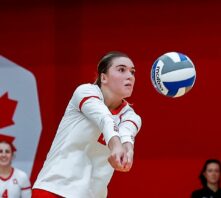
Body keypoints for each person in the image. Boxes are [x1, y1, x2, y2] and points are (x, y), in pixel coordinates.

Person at [32, 51, 142, 198]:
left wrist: (128, 153)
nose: (130, 76)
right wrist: (116, 145)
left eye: (132, 72)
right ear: (103, 77)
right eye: (121, 69)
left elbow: (127, 134)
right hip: (54, 190)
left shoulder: (131, 116)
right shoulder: (85, 92)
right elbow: (104, 118)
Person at [0, 134, 32, 198]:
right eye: (0, 151)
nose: (4, 155)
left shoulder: (22, 176)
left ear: (12, 155)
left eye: (7, 151)